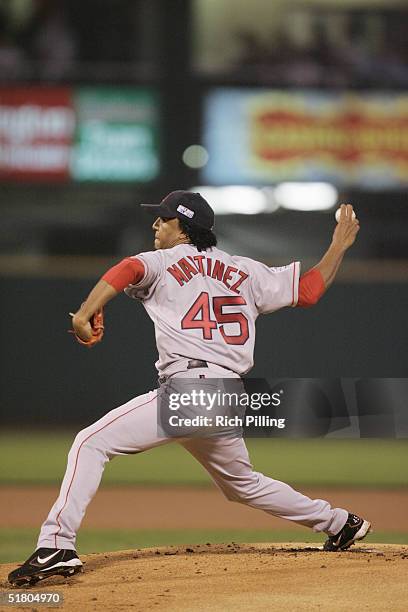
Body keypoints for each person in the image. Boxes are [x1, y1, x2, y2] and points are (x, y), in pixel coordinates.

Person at [8, 191, 370, 587]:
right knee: (242, 485)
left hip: (190, 388)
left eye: (163, 219)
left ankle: (55, 545)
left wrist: (87, 311)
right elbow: (309, 290)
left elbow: (127, 269)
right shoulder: (243, 269)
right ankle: (340, 523)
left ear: (182, 227)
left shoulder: (163, 261)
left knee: (90, 443)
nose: (155, 225)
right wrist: (338, 245)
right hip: (227, 393)